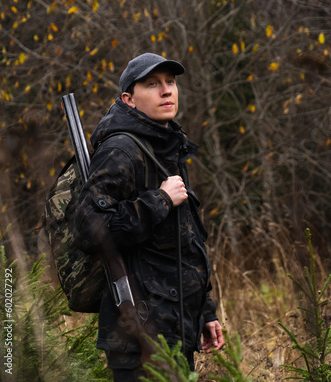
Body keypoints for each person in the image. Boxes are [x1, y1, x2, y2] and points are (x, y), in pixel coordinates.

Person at [74, 53, 224, 381]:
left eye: (170, 82)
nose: (166, 91)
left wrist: (205, 312)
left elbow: (182, 244)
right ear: (129, 99)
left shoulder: (165, 147)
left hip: (175, 327)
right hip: (139, 332)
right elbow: (88, 229)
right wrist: (159, 200)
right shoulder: (122, 150)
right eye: (152, 84)